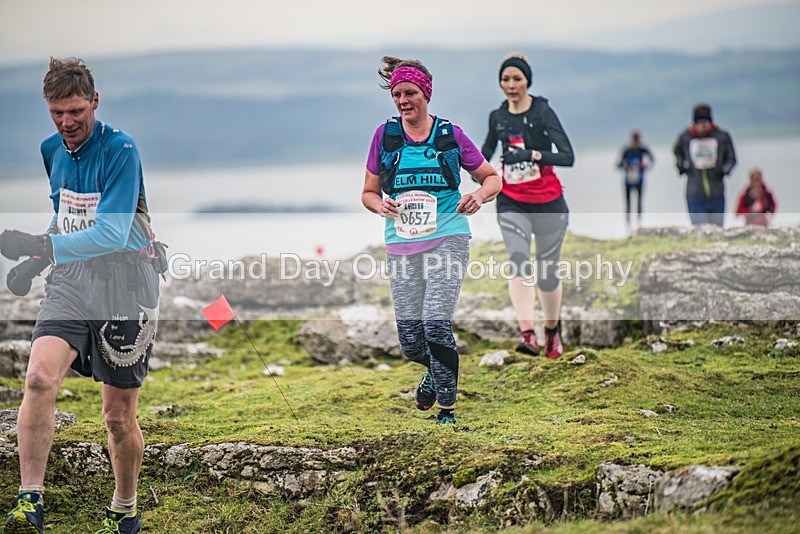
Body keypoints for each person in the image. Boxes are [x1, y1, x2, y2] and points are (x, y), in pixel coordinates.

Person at [1, 58, 163, 534]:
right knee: (36, 378)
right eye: (56, 113)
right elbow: (66, 218)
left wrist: (37, 246)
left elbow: (112, 232)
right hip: (70, 282)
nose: (67, 123)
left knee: (116, 416)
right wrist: (37, 263)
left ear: (95, 101)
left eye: (75, 111)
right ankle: (30, 503)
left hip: (124, 286)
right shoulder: (51, 149)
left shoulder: (121, 149)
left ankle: (124, 509)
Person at [362, 56, 501, 425]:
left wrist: (478, 196)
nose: (403, 100)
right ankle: (435, 371)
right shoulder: (385, 136)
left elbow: (491, 178)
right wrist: (381, 205)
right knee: (410, 341)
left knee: (436, 323)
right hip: (401, 242)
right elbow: (368, 192)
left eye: (410, 93)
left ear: (426, 93)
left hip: (448, 236)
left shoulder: (449, 135)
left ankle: (447, 411)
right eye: (397, 94)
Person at [480, 53, 574, 359]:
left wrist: (532, 155)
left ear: (527, 81)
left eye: (517, 79)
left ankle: (552, 332)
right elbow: (482, 154)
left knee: (547, 273)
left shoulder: (543, 112)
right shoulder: (498, 117)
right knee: (519, 260)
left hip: (548, 202)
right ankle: (528, 335)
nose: (510, 85)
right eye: (505, 79)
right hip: (511, 201)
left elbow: (567, 156)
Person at [673, 103, 737, 227]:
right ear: (694, 123)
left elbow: (732, 158)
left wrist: (724, 170)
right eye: (699, 123)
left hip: (717, 191)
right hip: (694, 192)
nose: (703, 126)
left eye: (705, 122)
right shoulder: (685, 137)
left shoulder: (722, 136)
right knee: (699, 230)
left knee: (717, 229)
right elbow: (677, 152)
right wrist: (682, 167)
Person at [617, 130, 654, 228]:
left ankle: (639, 223)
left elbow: (652, 160)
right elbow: (618, 164)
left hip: (640, 180)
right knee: (628, 203)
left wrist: (645, 166)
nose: (636, 143)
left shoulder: (643, 150)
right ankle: (628, 225)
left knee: (639, 202)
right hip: (628, 181)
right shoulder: (627, 150)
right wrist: (626, 166)